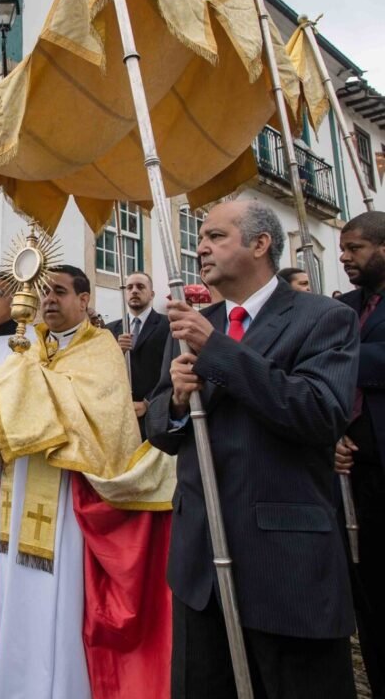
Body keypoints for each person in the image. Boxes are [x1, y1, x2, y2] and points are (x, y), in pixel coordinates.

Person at [146, 201, 359, 699]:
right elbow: (161, 429)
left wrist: (218, 351)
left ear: (260, 244)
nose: (200, 247)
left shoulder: (323, 318)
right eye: (200, 237)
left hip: (284, 563)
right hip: (200, 562)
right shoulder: (193, 325)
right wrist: (176, 400)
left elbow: (319, 412)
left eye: (217, 236)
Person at [0, 267, 174, 699]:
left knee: (59, 604)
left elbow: (98, 421)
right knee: (17, 597)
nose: (49, 300)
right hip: (20, 491)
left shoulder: (100, 349)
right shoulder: (27, 350)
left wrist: (25, 392)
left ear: (85, 301)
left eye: (61, 293)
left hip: (68, 501)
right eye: (45, 292)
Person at [335, 210, 385, 698]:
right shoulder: (345, 307)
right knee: (369, 597)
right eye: (343, 249)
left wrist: (343, 353)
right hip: (353, 469)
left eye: (356, 249)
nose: (345, 258)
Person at [105, 271, 169, 436]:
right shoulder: (110, 330)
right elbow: (101, 373)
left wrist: (148, 403)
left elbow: (170, 369)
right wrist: (116, 352)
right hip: (118, 416)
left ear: (152, 294)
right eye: (130, 287)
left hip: (154, 417)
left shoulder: (167, 326)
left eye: (140, 287)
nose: (134, 291)